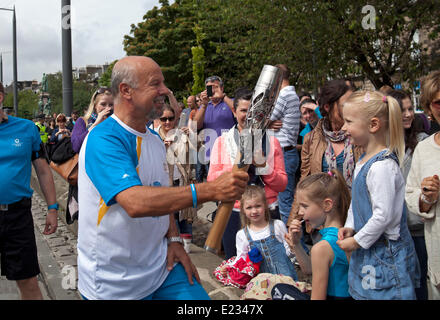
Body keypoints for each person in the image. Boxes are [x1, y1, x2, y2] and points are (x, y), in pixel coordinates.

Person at [77, 56, 248, 300]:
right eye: (155, 84)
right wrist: (210, 190)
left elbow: (162, 193)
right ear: (126, 90)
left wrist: (175, 238)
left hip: (162, 271)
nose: (165, 90)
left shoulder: (155, 140)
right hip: (113, 286)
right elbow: (135, 202)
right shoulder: (103, 139)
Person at [337, 90, 420, 300]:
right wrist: (350, 225)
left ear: (373, 125)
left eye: (348, 121)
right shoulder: (364, 160)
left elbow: (382, 216)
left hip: (386, 254)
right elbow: (358, 202)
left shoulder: (382, 167)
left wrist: (356, 241)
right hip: (369, 251)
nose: (343, 128)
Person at [208, 88, 288, 259]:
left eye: (254, 111)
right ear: (234, 111)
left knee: (271, 269)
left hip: (266, 212)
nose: (249, 115)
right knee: (238, 269)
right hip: (233, 212)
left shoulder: (272, 142)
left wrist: (262, 165)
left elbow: (282, 184)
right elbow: (212, 180)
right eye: (244, 110)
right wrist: (239, 165)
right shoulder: (223, 142)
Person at [0, 81, 59, 300]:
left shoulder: (26, 128)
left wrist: (52, 208)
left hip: (17, 215)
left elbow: (43, 171)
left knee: (28, 280)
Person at [287, 80, 361, 243]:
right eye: (345, 105)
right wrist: (293, 220)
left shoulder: (360, 135)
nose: (351, 109)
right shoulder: (311, 139)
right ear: (327, 107)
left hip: (356, 221)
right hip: (324, 224)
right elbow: (305, 181)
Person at [388, 89, 429, 300]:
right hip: (394, 232)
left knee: (421, 285)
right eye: (401, 110)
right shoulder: (384, 146)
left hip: (418, 229)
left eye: (410, 108)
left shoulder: (423, 142)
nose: (408, 114)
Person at [286, 170, 351, 300]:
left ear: (327, 205)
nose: (300, 212)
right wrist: (297, 244)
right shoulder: (348, 235)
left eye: (304, 206)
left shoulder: (322, 248)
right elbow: (310, 269)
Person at [405, 70, 440, 300]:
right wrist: (426, 196)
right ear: (428, 108)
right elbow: (412, 196)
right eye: (439, 103)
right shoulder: (425, 149)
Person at [234, 185, 298, 280]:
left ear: (265, 205)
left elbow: (289, 250)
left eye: (258, 206)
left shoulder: (278, 225)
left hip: (286, 278)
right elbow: (241, 259)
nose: (254, 211)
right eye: (249, 207)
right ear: (243, 209)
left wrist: (294, 248)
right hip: (263, 284)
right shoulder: (242, 235)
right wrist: (229, 268)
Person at [267, 64, 301, 226]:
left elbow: (263, 118)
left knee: (285, 204)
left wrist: (268, 123)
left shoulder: (284, 96)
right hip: (289, 151)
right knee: (286, 201)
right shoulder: (291, 95)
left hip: (284, 153)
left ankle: (293, 246)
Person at [156, 105, 195, 239]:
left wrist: (192, 138)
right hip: (163, 187)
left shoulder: (182, 134)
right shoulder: (153, 136)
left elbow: (197, 153)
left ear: (176, 119)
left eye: (171, 118)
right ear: (159, 119)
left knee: (185, 222)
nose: (167, 122)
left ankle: (187, 248)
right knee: (169, 224)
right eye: (164, 119)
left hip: (181, 183)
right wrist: (162, 148)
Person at [194, 76, 236, 176]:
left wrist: (223, 97)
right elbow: (196, 125)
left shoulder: (229, 101)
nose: (212, 90)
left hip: (230, 152)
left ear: (222, 88)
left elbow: (238, 111)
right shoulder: (204, 106)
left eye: (215, 87)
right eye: (209, 88)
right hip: (211, 152)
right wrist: (203, 105)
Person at [71, 87, 114, 153]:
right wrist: (96, 124)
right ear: (95, 105)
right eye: (103, 104)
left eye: (111, 105)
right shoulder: (83, 121)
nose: (108, 108)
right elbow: (76, 147)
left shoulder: (115, 124)